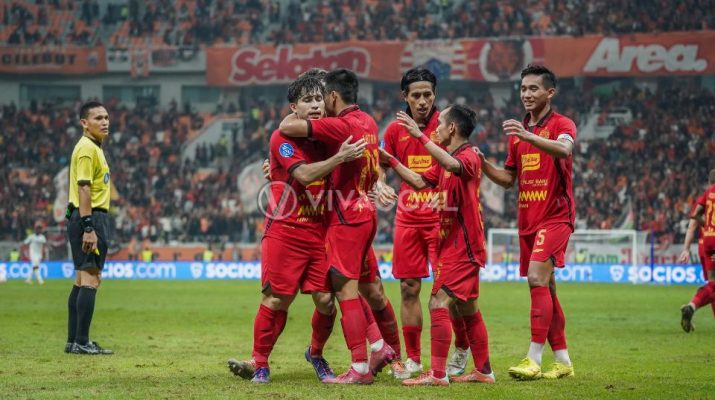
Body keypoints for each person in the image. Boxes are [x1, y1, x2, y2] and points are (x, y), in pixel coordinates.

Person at [228, 75, 367, 384]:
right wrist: (340, 157)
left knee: (326, 301)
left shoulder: (327, 135)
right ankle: (260, 362)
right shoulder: (283, 138)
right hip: (285, 230)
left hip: (319, 231)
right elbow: (304, 174)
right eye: (307, 100)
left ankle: (315, 354)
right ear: (294, 107)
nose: (315, 105)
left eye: (319, 99)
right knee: (277, 300)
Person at [279, 69, 398, 384]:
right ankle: (378, 346)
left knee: (345, 290)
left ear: (333, 97)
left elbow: (286, 126)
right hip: (365, 211)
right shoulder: (369, 122)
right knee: (356, 287)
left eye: (321, 98)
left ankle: (360, 367)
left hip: (346, 216)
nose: (320, 104)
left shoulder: (338, 125)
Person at [380, 104, 493, 386]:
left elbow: (455, 166)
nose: (436, 127)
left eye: (440, 123)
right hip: (455, 247)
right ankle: (484, 371)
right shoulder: (445, 161)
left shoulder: (467, 157)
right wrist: (390, 160)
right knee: (468, 309)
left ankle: (438, 374)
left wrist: (419, 136)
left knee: (437, 302)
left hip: (463, 247)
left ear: (452, 128)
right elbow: (418, 181)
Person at [478, 65, 576, 380]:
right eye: (523, 89)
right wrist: (483, 164)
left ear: (550, 92)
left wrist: (529, 136)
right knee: (547, 287)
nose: (526, 94)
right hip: (528, 219)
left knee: (536, 278)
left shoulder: (562, 124)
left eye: (533, 88)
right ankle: (563, 361)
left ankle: (533, 358)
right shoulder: (519, 133)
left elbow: (564, 149)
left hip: (556, 216)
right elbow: (508, 179)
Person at [381, 67, 471, 378]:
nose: (422, 101)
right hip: (408, 218)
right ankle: (415, 360)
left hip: (442, 219)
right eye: (416, 95)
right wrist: (380, 183)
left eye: (428, 94)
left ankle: (461, 346)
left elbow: (460, 164)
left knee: (447, 293)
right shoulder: (393, 131)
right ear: (404, 96)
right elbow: (381, 162)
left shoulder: (446, 125)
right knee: (408, 288)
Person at [65, 101, 113, 355]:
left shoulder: (93, 147)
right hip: (90, 217)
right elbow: (84, 188)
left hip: (87, 216)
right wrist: (88, 226)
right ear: (84, 123)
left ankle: (74, 341)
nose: (104, 122)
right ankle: (82, 341)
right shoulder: (86, 149)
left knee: (82, 279)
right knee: (91, 279)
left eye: (106, 117)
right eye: (97, 118)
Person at [678, 169, 715, 331]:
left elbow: (694, 218)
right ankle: (692, 306)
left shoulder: (707, 193)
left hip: (707, 241)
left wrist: (686, 249)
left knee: (713, 285)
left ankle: (691, 307)